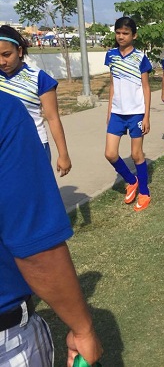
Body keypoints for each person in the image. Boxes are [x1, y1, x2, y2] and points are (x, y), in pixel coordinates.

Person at [0, 90, 103, 366]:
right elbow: (34, 246)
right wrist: (83, 328)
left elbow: (52, 114)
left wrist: (62, 153)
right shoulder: (5, 111)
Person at [0, 25, 72, 176]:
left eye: (6, 54)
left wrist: (63, 154)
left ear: (19, 51)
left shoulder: (39, 78)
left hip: (33, 146)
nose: (2, 62)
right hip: (4, 147)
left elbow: (53, 119)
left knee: (34, 195)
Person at [104, 17, 152, 211]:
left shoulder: (140, 58)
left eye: (125, 33)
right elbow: (113, 84)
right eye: (118, 33)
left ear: (134, 36)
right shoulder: (111, 56)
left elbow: (146, 88)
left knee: (136, 154)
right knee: (110, 153)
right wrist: (109, 111)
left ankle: (145, 193)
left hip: (136, 113)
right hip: (117, 112)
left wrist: (146, 116)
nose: (121, 36)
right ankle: (132, 181)